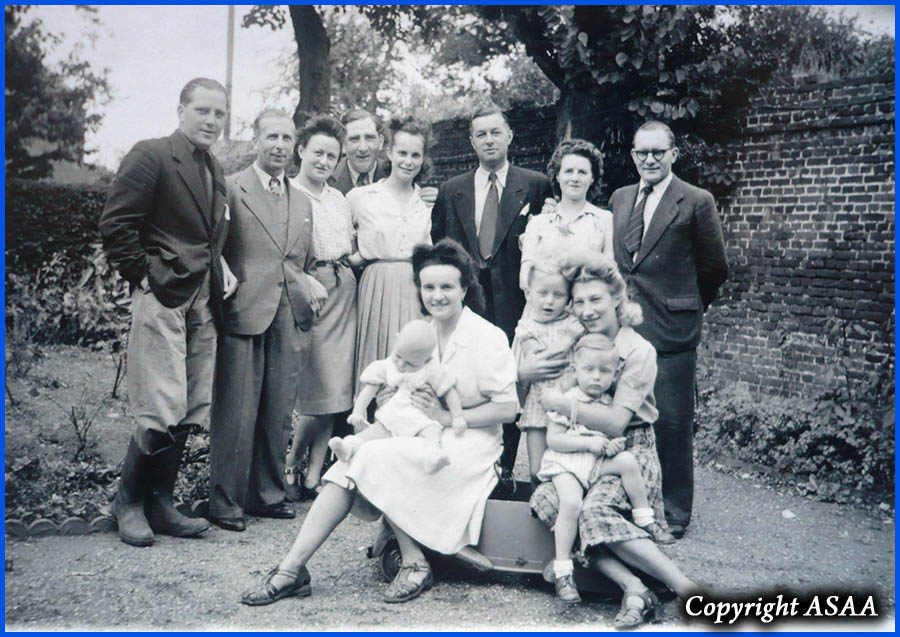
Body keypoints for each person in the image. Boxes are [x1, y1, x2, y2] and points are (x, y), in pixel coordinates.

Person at [240, 239, 518, 606]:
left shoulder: (488, 336)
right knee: (349, 463)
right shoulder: (418, 333)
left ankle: (416, 561)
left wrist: (446, 416)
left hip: (469, 445)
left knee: (373, 457)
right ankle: (292, 570)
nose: (437, 296)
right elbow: (395, 383)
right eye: (429, 286)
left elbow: (507, 410)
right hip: (415, 433)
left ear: (465, 288)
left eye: (447, 287)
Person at [98, 77, 237, 546]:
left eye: (220, 113)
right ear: (181, 110)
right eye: (203, 111)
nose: (212, 121)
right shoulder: (152, 153)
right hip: (164, 295)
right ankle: (129, 502)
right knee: (160, 401)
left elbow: (206, 236)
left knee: (193, 401)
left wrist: (217, 268)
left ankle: (161, 501)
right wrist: (144, 277)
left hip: (203, 299)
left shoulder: (214, 168)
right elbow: (117, 224)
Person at [528, 255, 698, 628]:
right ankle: (634, 586)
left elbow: (617, 422)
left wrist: (562, 405)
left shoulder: (638, 351)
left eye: (596, 300)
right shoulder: (580, 342)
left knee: (593, 512)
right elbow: (540, 374)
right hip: (581, 450)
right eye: (580, 302)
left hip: (628, 451)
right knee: (550, 502)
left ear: (617, 299)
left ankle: (686, 588)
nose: (587, 311)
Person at [206, 108, 328, 531]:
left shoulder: (302, 200)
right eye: (271, 137)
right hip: (244, 311)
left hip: (289, 316)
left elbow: (303, 260)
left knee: (278, 411)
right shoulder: (231, 187)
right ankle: (225, 501)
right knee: (236, 409)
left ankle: (268, 494)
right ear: (256, 140)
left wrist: (310, 285)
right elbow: (213, 247)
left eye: (286, 138)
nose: (279, 146)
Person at [609, 120, 728, 537]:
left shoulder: (696, 201)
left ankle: (675, 511)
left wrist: (687, 308)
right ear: (633, 156)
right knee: (624, 416)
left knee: (672, 423)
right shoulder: (621, 197)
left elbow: (715, 267)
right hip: (626, 327)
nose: (650, 159)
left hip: (672, 329)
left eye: (658, 152)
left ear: (673, 154)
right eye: (642, 152)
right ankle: (629, 501)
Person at [431, 106, 554, 486]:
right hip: (469, 304)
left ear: (509, 136)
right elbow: (441, 247)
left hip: (516, 305)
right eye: (480, 134)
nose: (488, 140)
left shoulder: (536, 185)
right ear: (471, 141)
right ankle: (472, 472)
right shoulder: (453, 191)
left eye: (495, 132)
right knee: (468, 382)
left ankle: (505, 470)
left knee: (512, 382)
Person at [538, 332, 674, 604]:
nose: (596, 377)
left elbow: (608, 435)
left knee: (626, 461)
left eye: (605, 371)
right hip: (565, 464)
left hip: (591, 464)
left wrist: (610, 446)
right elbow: (554, 440)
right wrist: (589, 444)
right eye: (589, 370)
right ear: (575, 370)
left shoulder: (609, 402)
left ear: (615, 374)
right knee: (572, 503)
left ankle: (646, 518)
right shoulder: (568, 398)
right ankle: (564, 571)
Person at [283, 115, 358, 501]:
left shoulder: (339, 198)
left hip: (346, 288)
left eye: (332, 155)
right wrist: (306, 278)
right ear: (301, 151)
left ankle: (314, 476)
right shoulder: (290, 193)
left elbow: (347, 246)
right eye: (318, 153)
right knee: (320, 387)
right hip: (312, 289)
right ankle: (291, 464)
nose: (324, 161)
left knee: (340, 389)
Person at [348, 116, 434, 382]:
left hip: (413, 287)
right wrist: (361, 258)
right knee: (377, 363)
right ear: (389, 152)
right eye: (403, 153)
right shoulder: (361, 198)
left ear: (423, 159)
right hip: (376, 286)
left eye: (415, 155)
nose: (408, 161)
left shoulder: (426, 201)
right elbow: (341, 247)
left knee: (411, 358)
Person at [329, 320, 467, 472]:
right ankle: (348, 447)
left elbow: (449, 391)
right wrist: (358, 411)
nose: (401, 365)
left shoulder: (432, 370)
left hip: (419, 420)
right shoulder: (386, 366)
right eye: (398, 356)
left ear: (427, 359)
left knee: (432, 433)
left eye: (410, 364)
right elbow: (369, 390)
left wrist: (458, 417)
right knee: (372, 433)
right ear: (396, 341)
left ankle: (432, 457)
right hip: (390, 418)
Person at [514, 261, 584, 482]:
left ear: (568, 298)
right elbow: (543, 361)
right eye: (542, 293)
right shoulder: (527, 327)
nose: (549, 301)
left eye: (558, 295)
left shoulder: (575, 321)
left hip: (569, 401)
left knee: (566, 468)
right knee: (537, 470)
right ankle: (537, 510)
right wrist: (568, 339)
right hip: (539, 402)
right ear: (528, 292)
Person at [519, 138, 613, 294]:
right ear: (557, 176)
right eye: (568, 171)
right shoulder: (538, 223)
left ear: (592, 178)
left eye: (582, 172)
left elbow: (609, 271)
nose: (575, 178)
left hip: (586, 307)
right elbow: (525, 277)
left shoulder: (604, 219)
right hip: (545, 307)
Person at [328, 109, 388, 194]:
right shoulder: (327, 178)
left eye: (369, 138)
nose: (363, 148)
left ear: (380, 142)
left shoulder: (394, 176)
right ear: (343, 145)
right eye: (354, 139)